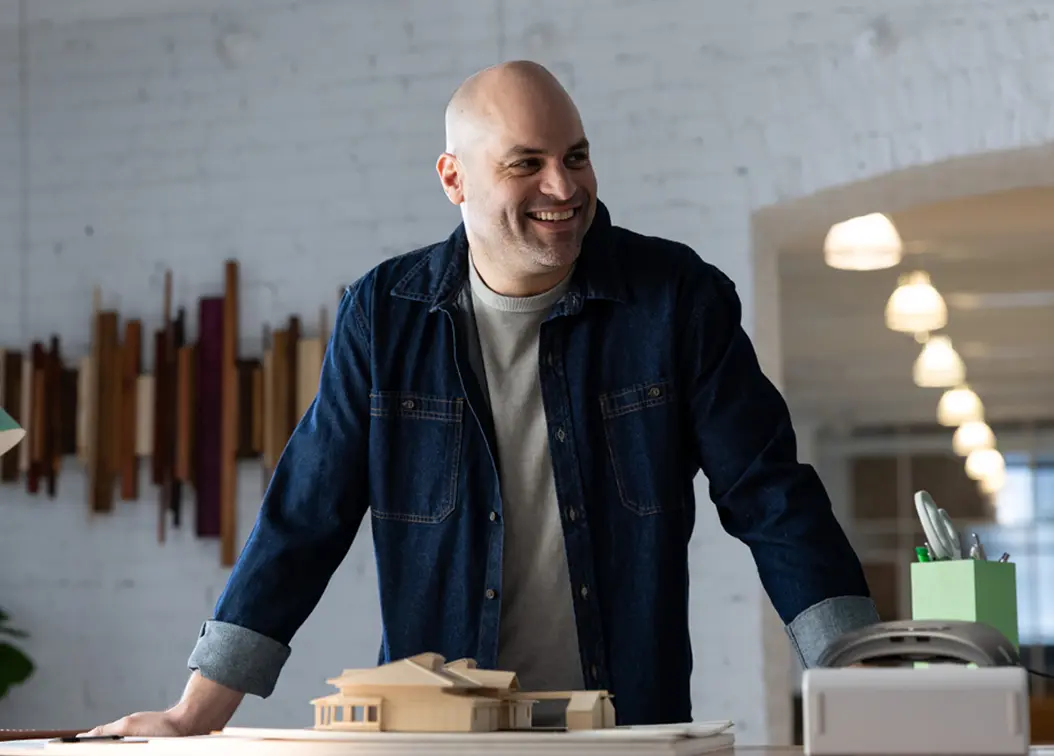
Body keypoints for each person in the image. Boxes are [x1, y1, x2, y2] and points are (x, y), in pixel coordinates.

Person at [88, 60, 878, 737]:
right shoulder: (384, 314)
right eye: (525, 163)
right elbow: (307, 512)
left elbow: (772, 496)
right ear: (453, 177)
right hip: (443, 737)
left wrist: (863, 687)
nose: (563, 188)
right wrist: (197, 712)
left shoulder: (676, 300)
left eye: (576, 155)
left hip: (625, 730)